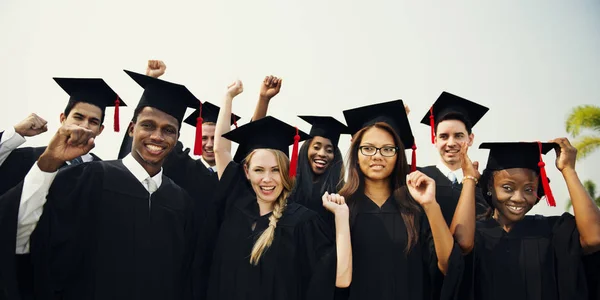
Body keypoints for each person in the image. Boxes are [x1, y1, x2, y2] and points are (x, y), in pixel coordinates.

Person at [1, 70, 215, 300]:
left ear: (177, 137)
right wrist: (49, 161)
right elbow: (23, 232)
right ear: (132, 129)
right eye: (148, 125)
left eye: (168, 130)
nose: (157, 136)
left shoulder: (180, 202)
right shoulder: (88, 179)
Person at [208, 80, 352, 300]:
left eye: (276, 170)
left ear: (287, 171)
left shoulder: (303, 222)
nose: (267, 179)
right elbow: (220, 149)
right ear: (246, 171)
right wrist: (228, 98)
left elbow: (340, 279)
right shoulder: (234, 205)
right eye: (259, 170)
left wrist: (342, 218)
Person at [335, 100, 464, 300]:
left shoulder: (415, 207)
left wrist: (430, 205)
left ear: (398, 155)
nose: (377, 156)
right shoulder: (339, 206)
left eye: (388, 149)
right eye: (368, 148)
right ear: (356, 152)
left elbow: (448, 265)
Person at [455, 139, 600, 300]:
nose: (519, 198)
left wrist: (568, 170)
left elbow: (594, 237)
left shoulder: (552, 230)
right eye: (508, 188)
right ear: (490, 186)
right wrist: (469, 178)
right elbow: (461, 243)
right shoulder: (477, 234)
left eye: (529, 189)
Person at [0, 78, 125, 196]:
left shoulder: (104, 173)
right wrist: (16, 132)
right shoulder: (28, 157)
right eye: (78, 117)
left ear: (100, 130)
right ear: (63, 119)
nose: (84, 126)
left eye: (93, 122)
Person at [418, 91, 490, 225]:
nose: (451, 143)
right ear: (435, 140)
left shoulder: (484, 186)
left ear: (470, 139)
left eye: (458, 136)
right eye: (444, 136)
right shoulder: (419, 178)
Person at [290, 115, 348, 227]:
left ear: (335, 156)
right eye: (316, 147)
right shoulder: (289, 186)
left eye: (329, 150)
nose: (322, 154)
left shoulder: (341, 194)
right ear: (306, 149)